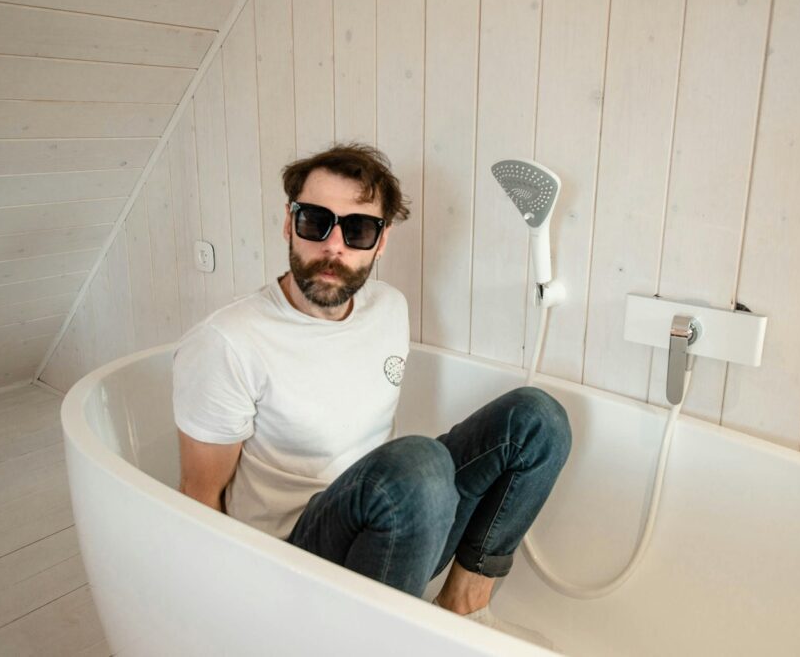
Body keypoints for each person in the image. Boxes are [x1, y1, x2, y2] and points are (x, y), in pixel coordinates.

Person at [172, 143, 571, 647]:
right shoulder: (228, 341)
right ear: (287, 223)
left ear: (380, 243)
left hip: (395, 524)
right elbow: (197, 503)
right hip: (291, 565)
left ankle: (461, 611)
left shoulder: (389, 308)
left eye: (357, 229)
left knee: (539, 420)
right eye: (315, 221)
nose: (333, 246)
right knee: (417, 464)